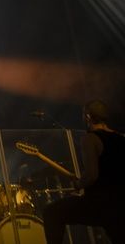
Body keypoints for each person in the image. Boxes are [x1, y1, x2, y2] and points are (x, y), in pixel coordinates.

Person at [42, 100, 125, 244]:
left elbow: (92, 175)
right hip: (121, 202)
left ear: (87, 117)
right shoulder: (121, 138)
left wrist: (78, 184)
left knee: (52, 213)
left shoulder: (90, 139)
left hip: (101, 203)